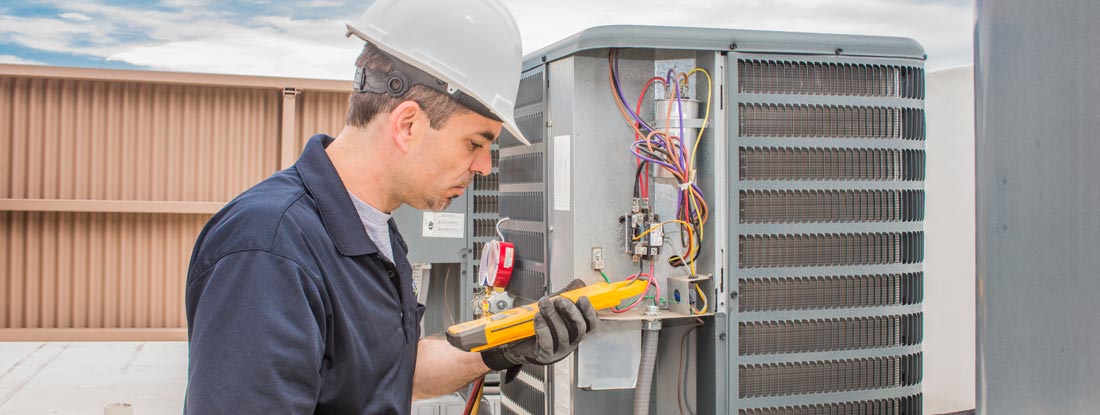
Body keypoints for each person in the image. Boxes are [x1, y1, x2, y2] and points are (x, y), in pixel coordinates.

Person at [182, 0, 599, 413]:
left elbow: (395, 373)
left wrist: (509, 343)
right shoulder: (268, 250)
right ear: (408, 124)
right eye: (475, 143)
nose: (485, 166)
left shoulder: (372, 231)